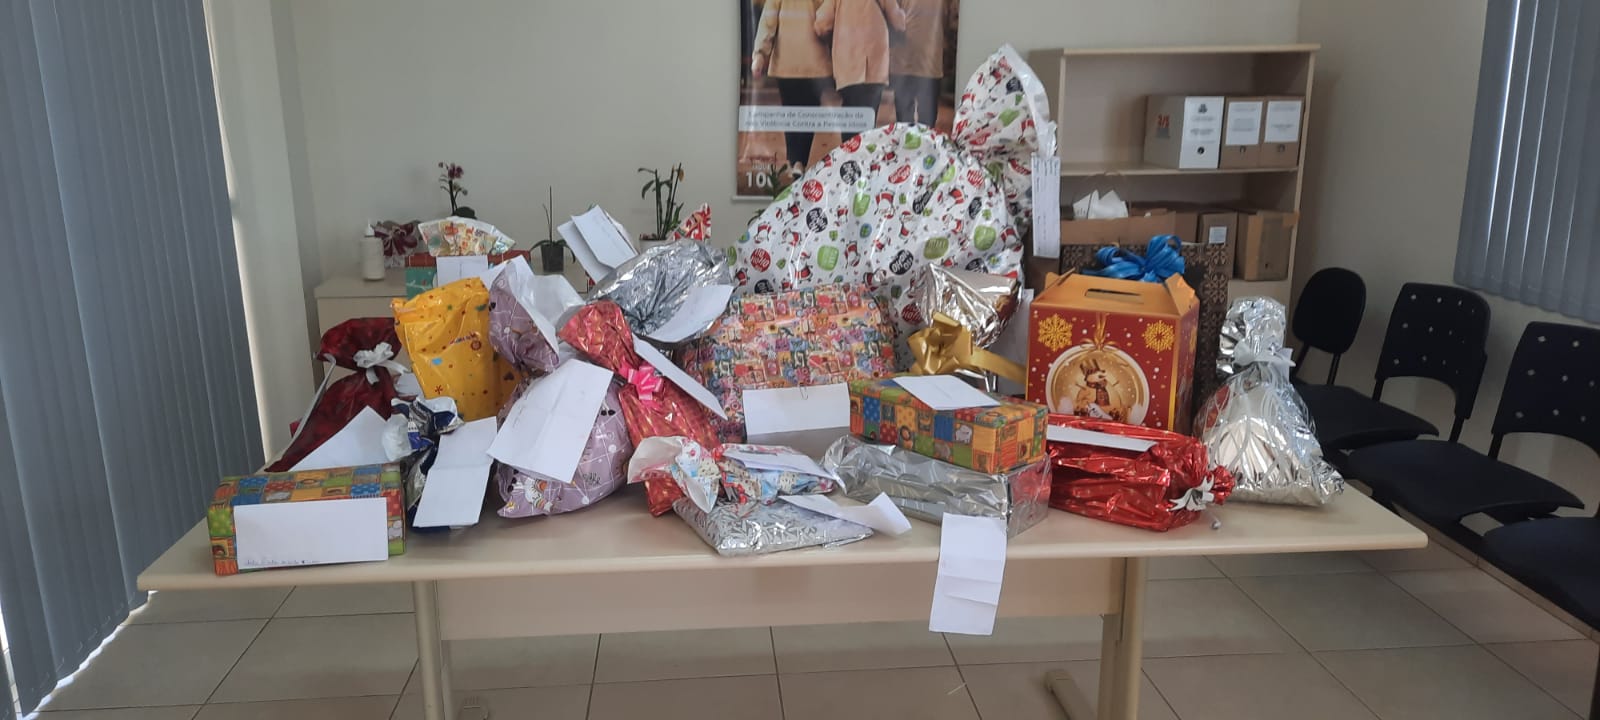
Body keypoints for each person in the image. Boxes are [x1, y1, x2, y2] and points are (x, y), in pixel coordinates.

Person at [751, 0, 835, 173]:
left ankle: (794, 159)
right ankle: (800, 161)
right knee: (809, 114)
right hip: (815, 62)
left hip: (786, 62)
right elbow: (828, 20)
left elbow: (768, 20)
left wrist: (760, 53)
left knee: (790, 112)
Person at [816, 0, 906, 143]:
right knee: (868, 120)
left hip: (848, 66)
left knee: (850, 117)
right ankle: (863, 152)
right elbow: (899, 22)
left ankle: (849, 151)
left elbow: (822, 24)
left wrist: (833, 38)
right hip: (875, 66)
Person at [889, 0, 955, 126]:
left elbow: (890, 15)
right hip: (931, 56)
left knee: (903, 122)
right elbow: (953, 20)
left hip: (903, 58)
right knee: (927, 121)